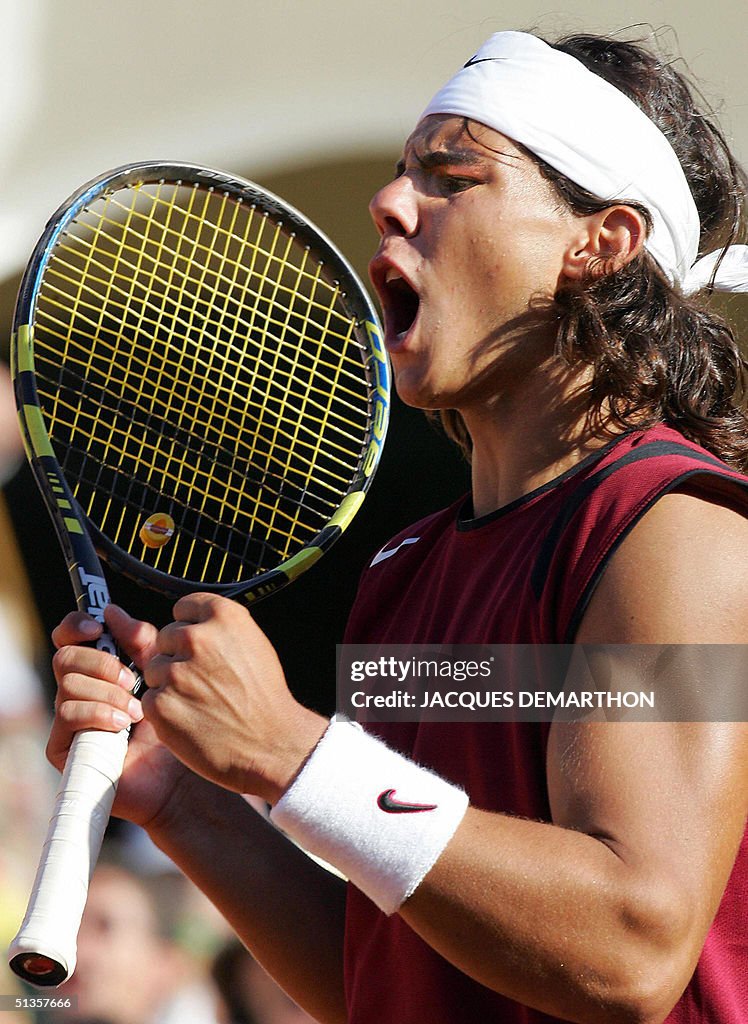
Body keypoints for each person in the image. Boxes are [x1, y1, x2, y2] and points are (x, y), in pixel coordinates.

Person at [46, 29, 748, 1024]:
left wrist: (291, 749)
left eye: (452, 175)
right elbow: (384, 975)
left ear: (600, 243)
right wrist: (178, 792)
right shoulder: (403, 568)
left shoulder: (675, 529)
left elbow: (631, 945)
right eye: (400, 174)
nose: (387, 203)